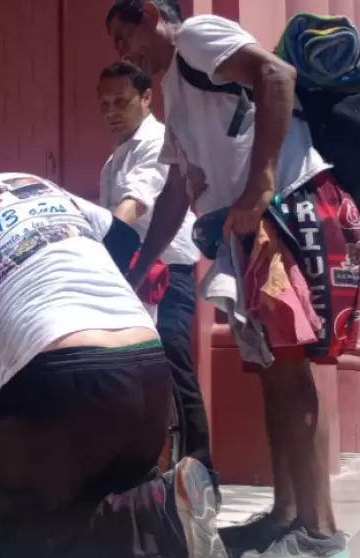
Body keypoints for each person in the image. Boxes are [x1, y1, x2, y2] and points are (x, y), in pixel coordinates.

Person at [0, 137, 229, 558]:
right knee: (88, 482)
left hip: (63, 381)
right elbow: (124, 238)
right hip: (151, 371)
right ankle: (157, 510)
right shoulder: (34, 185)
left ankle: (155, 515)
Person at [107, 0, 360, 558]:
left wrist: (260, 182)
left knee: (290, 372)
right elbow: (178, 189)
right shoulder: (175, 90)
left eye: (124, 35)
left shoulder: (196, 36)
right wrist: (138, 268)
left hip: (284, 212)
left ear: (150, 14)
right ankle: (287, 517)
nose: (123, 52)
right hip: (249, 233)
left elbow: (277, 75)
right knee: (275, 372)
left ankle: (320, 534)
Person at [97, 61, 216, 493]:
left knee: (173, 365)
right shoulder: (115, 157)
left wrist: (101, 242)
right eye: (104, 104)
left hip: (168, 271)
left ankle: (202, 478)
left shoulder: (155, 142)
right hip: (132, 273)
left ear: (147, 98)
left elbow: (136, 201)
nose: (111, 112)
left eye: (121, 102)